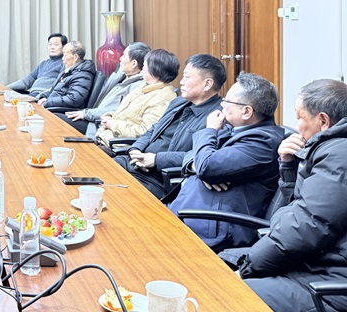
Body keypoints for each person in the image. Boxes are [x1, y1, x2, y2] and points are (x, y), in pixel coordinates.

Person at [235, 79, 347, 312]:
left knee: (224, 290)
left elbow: (306, 226)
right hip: (314, 264)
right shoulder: (330, 150)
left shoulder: (339, 154)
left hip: (328, 284)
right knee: (219, 262)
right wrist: (288, 166)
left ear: (323, 121)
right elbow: (294, 212)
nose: (296, 127)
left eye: (299, 118)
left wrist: (247, 269)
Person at [169, 72, 284, 251]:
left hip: (211, 228)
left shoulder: (263, 143)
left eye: (227, 101)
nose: (222, 104)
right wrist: (197, 165)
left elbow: (207, 165)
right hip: (189, 212)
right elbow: (194, 156)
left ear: (246, 111)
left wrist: (209, 131)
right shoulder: (234, 127)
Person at [114, 53, 226, 198]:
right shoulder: (178, 102)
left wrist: (155, 160)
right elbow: (154, 128)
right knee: (97, 171)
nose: (181, 82)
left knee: (113, 195)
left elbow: (202, 157)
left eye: (187, 77)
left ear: (207, 84)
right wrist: (136, 149)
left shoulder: (217, 117)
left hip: (159, 178)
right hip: (135, 162)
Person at [94, 48, 179, 148]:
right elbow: (128, 115)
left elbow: (145, 132)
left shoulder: (162, 99)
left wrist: (113, 124)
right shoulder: (145, 87)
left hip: (118, 146)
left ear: (154, 71)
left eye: (144, 66)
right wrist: (109, 116)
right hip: (106, 138)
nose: (142, 69)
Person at [64, 42, 150, 136]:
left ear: (134, 63)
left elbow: (117, 111)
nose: (120, 59)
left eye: (124, 56)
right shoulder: (121, 76)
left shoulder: (138, 87)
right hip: (93, 119)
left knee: (59, 121)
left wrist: (85, 114)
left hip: (100, 126)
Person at [38, 41, 96, 113]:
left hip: (64, 112)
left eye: (65, 55)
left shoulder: (83, 75)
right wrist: (43, 97)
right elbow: (55, 91)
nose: (62, 58)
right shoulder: (68, 71)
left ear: (75, 57)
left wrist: (48, 102)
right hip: (53, 106)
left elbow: (74, 99)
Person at [7, 33, 67, 99]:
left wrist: (42, 96)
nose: (52, 47)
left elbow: (59, 86)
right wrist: (6, 88)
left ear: (64, 47)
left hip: (44, 97)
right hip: (32, 95)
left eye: (56, 44)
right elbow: (28, 80)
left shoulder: (65, 64)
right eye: (50, 44)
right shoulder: (43, 63)